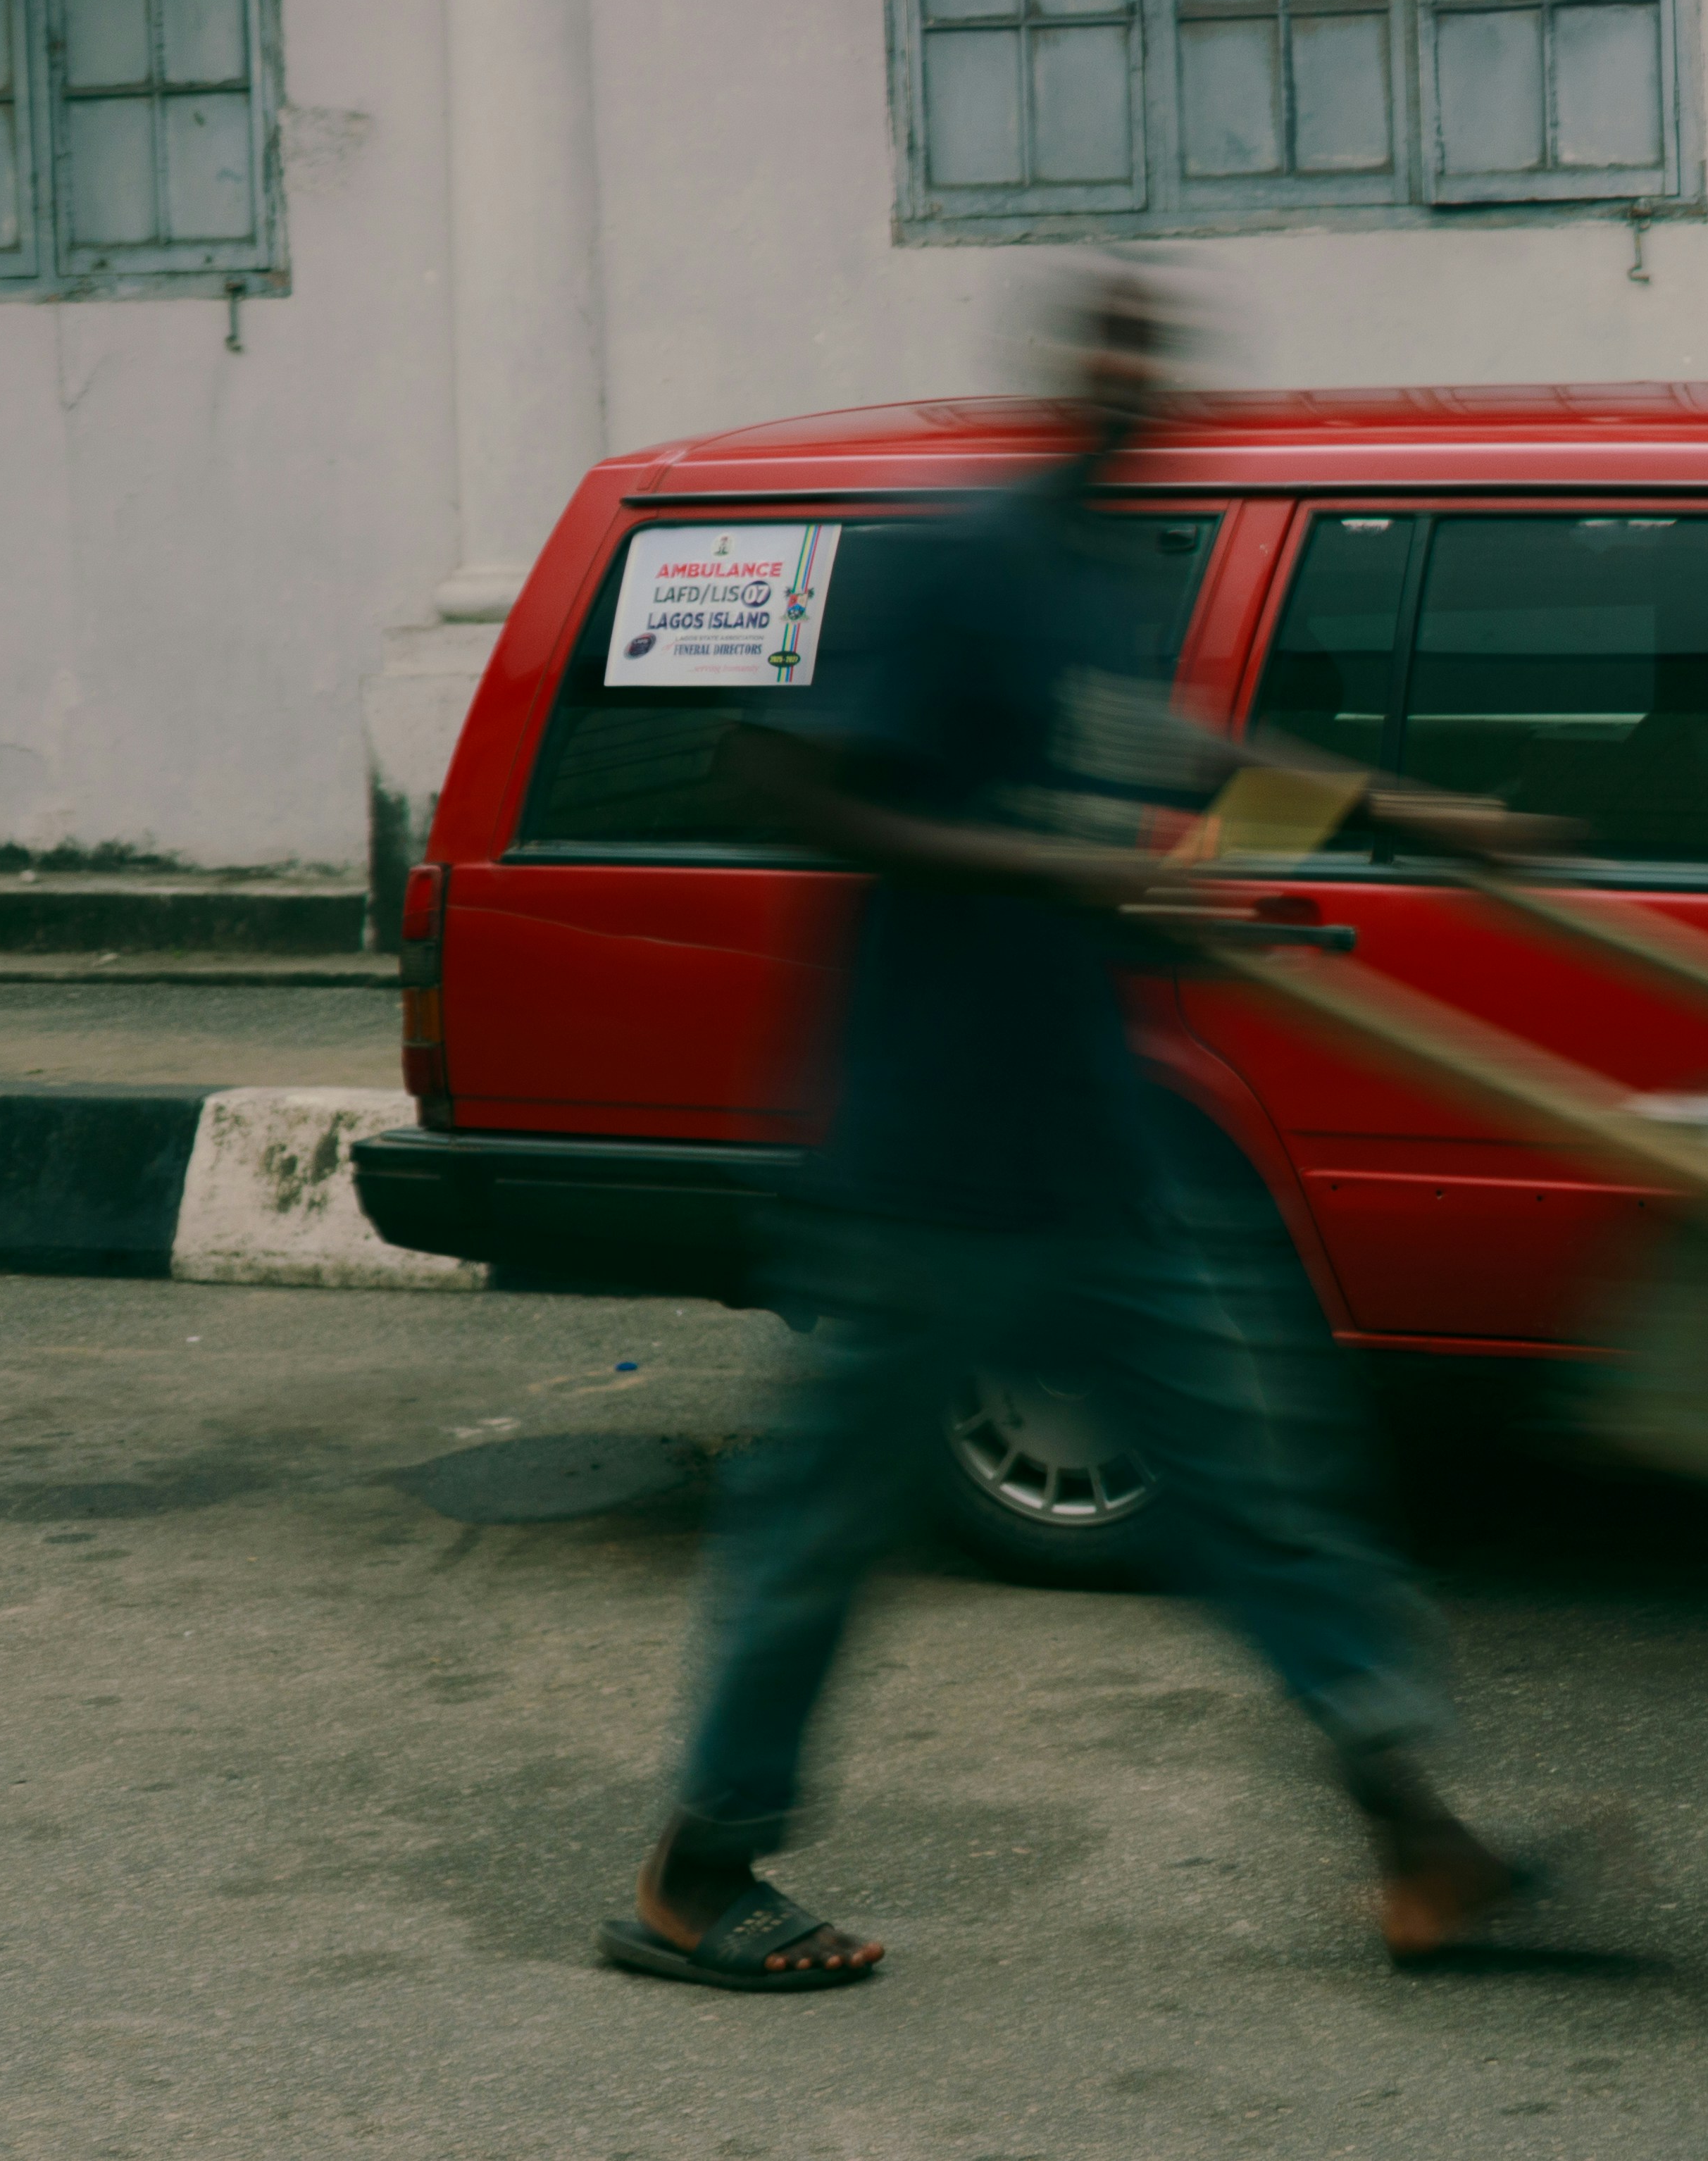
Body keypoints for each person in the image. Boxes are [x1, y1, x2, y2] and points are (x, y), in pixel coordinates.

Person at [600, 265, 1526, 1992]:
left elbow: (1166, 762)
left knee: (1263, 1479)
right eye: (1105, 351)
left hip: (1091, 1142)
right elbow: (786, 778)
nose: (1131, 384)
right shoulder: (960, 561)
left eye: (1153, 358)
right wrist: (1057, 870)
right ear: (1062, 377)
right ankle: (692, 1869)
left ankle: (1420, 1841)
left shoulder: (1100, 580)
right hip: (930, 1158)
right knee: (823, 1526)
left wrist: (1400, 812)